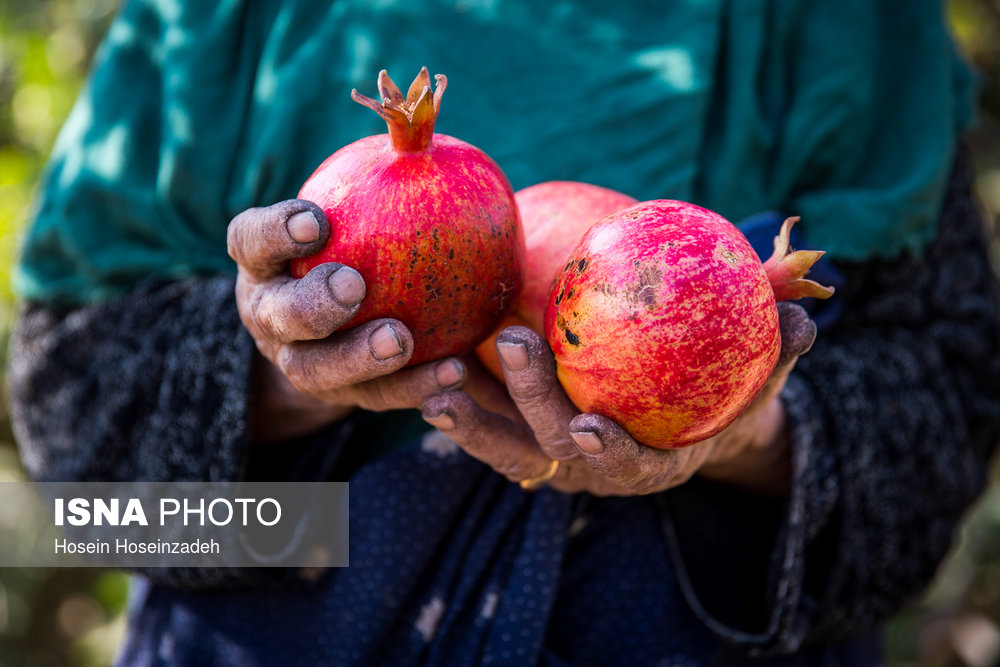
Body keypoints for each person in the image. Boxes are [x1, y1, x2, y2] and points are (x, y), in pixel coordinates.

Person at [8, 0, 1000, 664]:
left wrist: (738, 433)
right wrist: (281, 382)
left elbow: (945, 449)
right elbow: (86, 494)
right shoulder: (203, 25)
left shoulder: (850, 26)